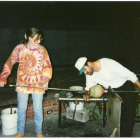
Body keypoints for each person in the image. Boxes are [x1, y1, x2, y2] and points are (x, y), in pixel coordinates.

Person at [0, 27, 52, 137]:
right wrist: (3, 77)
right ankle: (20, 131)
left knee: (38, 109)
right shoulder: (20, 48)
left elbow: (47, 67)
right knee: (22, 108)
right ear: (29, 37)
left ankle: (38, 131)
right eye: (36, 39)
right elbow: (10, 62)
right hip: (22, 83)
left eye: (40, 39)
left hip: (38, 84)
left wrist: (46, 81)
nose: (39, 42)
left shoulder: (42, 50)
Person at [75, 57, 140, 137]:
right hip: (112, 91)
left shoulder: (108, 63)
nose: (85, 73)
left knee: (129, 114)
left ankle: (125, 136)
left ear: (88, 63)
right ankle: (116, 134)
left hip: (125, 86)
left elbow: (130, 75)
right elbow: (88, 87)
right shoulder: (89, 74)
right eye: (83, 72)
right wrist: (86, 94)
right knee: (116, 115)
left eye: (85, 69)